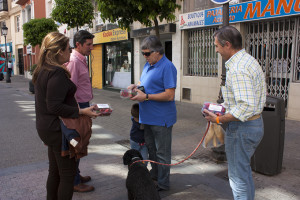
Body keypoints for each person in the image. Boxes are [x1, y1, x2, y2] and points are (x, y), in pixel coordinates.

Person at [32, 32, 99, 199]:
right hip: (57, 130)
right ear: (59, 52)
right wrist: (82, 111)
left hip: (47, 127)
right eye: (68, 48)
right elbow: (54, 106)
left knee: (55, 172)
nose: (70, 51)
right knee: (67, 176)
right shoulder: (56, 72)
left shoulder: (43, 69)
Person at [203, 26, 266, 200]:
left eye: (217, 46)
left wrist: (218, 119)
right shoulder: (248, 60)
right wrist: (221, 107)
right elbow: (243, 101)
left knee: (238, 178)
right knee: (243, 175)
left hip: (242, 128)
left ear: (227, 45)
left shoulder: (238, 69)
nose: (216, 50)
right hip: (251, 125)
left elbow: (245, 106)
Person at [128, 35, 177, 191]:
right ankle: (155, 176)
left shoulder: (167, 67)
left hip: (161, 119)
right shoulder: (148, 65)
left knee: (162, 153)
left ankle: (163, 183)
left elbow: (170, 95)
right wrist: (135, 87)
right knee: (151, 151)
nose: (145, 56)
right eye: (143, 53)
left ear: (158, 52)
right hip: (147, 117)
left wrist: (146, 96)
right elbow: (144, 84)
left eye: (147, 53)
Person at [66, 30, 95, 192]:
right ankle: (75, 181)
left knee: (82, 140)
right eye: (88, 44)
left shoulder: (80, 60)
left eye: (92, 44)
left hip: (83, 105)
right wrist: (81, 111)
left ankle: (76, 174)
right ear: (78, 45)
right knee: (77, 142)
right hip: (78, 108)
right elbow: (70, 91)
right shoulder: (74, 62)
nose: (91, 47)